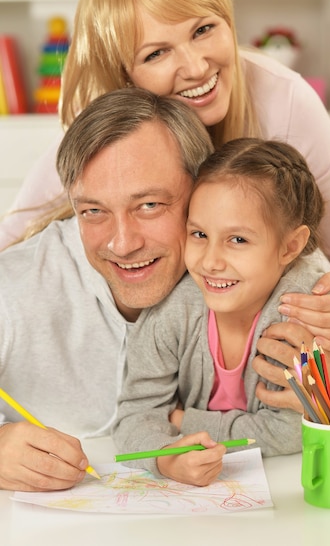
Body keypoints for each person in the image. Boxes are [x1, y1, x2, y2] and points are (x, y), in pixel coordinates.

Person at [0, 0, 330, 350]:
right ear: (125, 75)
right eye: (156, 54)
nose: (195, 66)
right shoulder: (106, 133)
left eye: (204, 29)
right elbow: (13, 246)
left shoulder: (285, 102)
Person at [114, 138, 330, 487]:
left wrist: (185, 421)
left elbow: (289, 431)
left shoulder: (303, 313)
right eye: (200, 234)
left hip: (290, 487)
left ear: (290, 246)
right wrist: (164, 458)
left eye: (238, 240)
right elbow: (134, 415)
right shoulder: (172, 311)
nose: (210, 262)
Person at [0, 87, 214, 492]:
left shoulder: (254, 261)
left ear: (200, 193)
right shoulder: (13, 288)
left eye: (149, 205)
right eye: (94, 211)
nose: (122, 243)